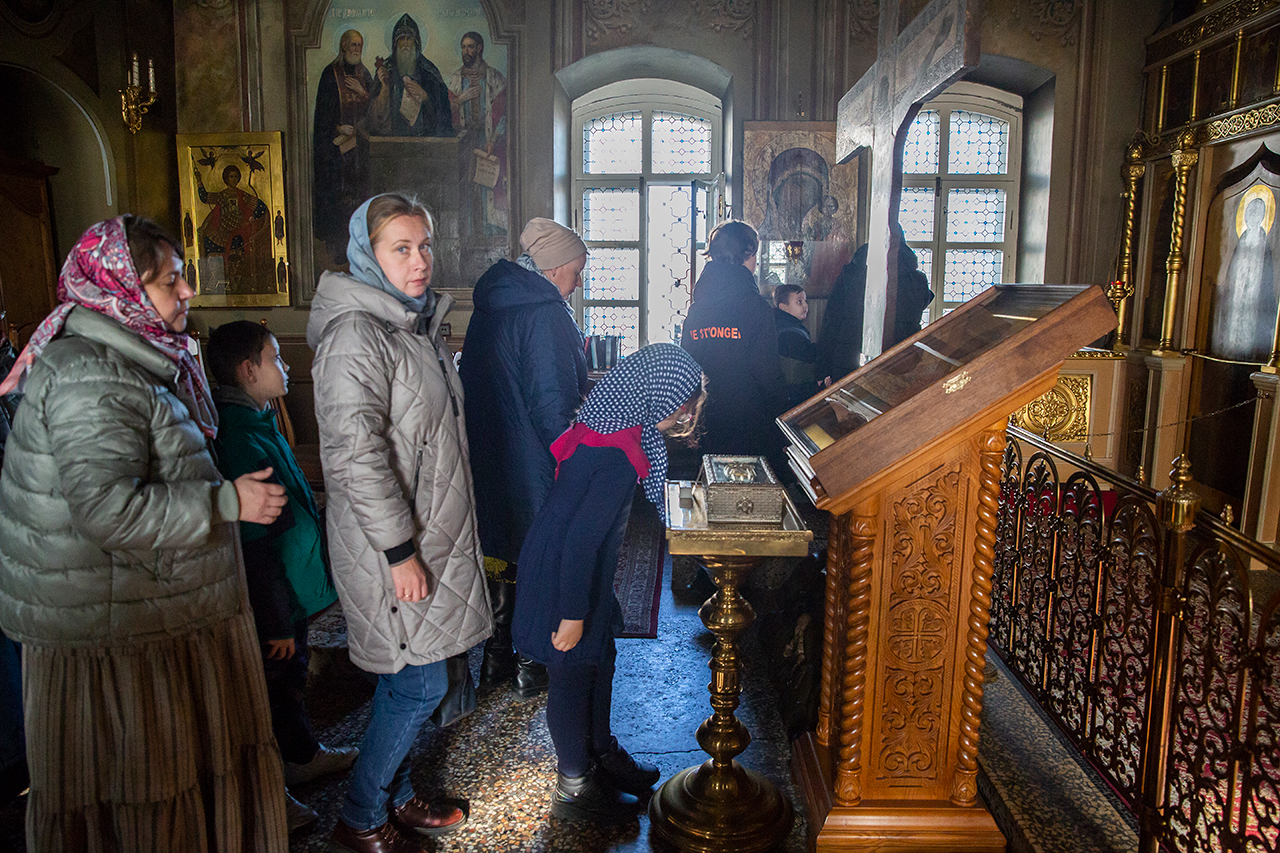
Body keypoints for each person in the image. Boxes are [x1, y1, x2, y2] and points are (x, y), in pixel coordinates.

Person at [0, 215, 290, 853]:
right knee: (143, 798)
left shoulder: (132, 356)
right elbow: (107, 509)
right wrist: (226, 501)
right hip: (117, 635)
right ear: (121, 291)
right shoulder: (90, 373)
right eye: (169, 281)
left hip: (145, 613)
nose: (188, 291)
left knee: (165, 787)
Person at [308, 193, 490, 853]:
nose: (419, 261)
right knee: (418, 682)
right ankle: (360, 815)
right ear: (368, 255)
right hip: (390, 546)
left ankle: (401, 792)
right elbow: (356, 459)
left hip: (426, 533)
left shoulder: (410, 324)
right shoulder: (355, 335)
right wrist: (398, 552)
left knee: (414, 672)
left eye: (425, 246)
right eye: (401, 249)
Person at [512, 343, 706, 823]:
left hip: (581, 569)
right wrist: (573, 613)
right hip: (565, 573)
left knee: (601, 658)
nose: (684, 416)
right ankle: (574, 782)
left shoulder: (608, 428)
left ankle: (600, 751)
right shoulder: (616, 455)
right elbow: (580, 539)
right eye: (682, 405)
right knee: (571, 674)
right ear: (655, 397)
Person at [207, 320, 358, 831]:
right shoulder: (239, 436)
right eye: (276, 358)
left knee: (291, 676)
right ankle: (280, 779)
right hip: (275, 597)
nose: (287, 366)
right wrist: (273, 621)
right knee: (276, 685)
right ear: (248, 371)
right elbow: (257, 547)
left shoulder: (259, 420)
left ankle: (301, 754)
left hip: (290, 592)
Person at [459, 217, 589, 697]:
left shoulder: (491, 305)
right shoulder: (544, 312)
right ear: (553, 270)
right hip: (534, 459)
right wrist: (576, 461)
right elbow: (552, 405)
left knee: (500, 553)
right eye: (576, 272)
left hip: (489, 454)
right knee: (541, 554)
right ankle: (532, 666)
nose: (578, 284)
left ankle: (496, 659)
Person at [680, 220, 789, 474]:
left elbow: (687, 368)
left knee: (712, 485)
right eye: (755, 255)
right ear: (748, 254)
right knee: (748, 491)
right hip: (749, 422)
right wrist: (783, 417)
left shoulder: (697, 310)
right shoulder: (756, 309)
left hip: (707, 420)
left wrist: (688, 418)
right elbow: (767, 373)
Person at [313, 29, 374, 264]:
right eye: (353, 45)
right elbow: (322, 115)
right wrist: (338, 128)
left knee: (359, 198)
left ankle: (361, 248)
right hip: (336, 153)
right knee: (340, 199)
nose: (356, 49)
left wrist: (363, 93)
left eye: (360, 45)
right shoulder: (330, 74)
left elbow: (376, 111)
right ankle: (340, 249)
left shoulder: (364, 74)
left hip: (360, 152)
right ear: (343, 46)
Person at [447, 30, 509, 236]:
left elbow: (505, 113)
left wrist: (493, 139)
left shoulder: (494, 78)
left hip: (487, 140)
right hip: (464, 140)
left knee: (486, 185)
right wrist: (460, 100)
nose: (466, 51)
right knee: (465, 184)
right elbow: (444, 112)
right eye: (464, 47)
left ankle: (486, 231)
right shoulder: (456, 79)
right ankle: (466, 231)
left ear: (479, 48)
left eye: (470, 47)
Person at [370, 14, 453, 138]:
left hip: (423, 141)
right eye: (401, 39)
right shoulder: (385, 70)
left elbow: (444, 111)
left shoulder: (430, 72)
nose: (405, 44)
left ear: (416, 42)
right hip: (391, 140)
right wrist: (384, 89)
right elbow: (371, 116)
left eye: (409, 38)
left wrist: (425, 97)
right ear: (395, 43)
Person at [196, 163, 273, 293]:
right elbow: (204, 198)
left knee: (236, 251)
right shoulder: (221, 196)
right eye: (231, 176)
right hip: (222, 232)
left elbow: (261, 207)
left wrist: (250, 220)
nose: (234, 179)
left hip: (238, 232)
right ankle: (214, 279)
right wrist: (199, 180)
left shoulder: (243, 196)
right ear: (226, 178)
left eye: (236, 176)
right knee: (208, 243)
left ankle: (236, 281)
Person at [774, 283, 827, 408]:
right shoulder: (789, 333)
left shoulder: (782, 325)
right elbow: (809, 357)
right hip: (794, 395)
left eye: (805, 301)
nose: (806, 306)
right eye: (799, 302)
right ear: (784, 307)